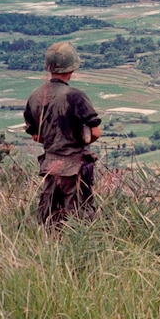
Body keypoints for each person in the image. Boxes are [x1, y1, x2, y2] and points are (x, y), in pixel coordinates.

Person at [24, 42, 102, 228]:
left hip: (49, 165)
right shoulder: (75, 96)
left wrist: (54, 140)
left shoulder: (35, 96)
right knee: (80, 219)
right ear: (72, 68)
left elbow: (36, 136)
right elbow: (95, 132)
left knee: (49, 217)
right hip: (74, 166)